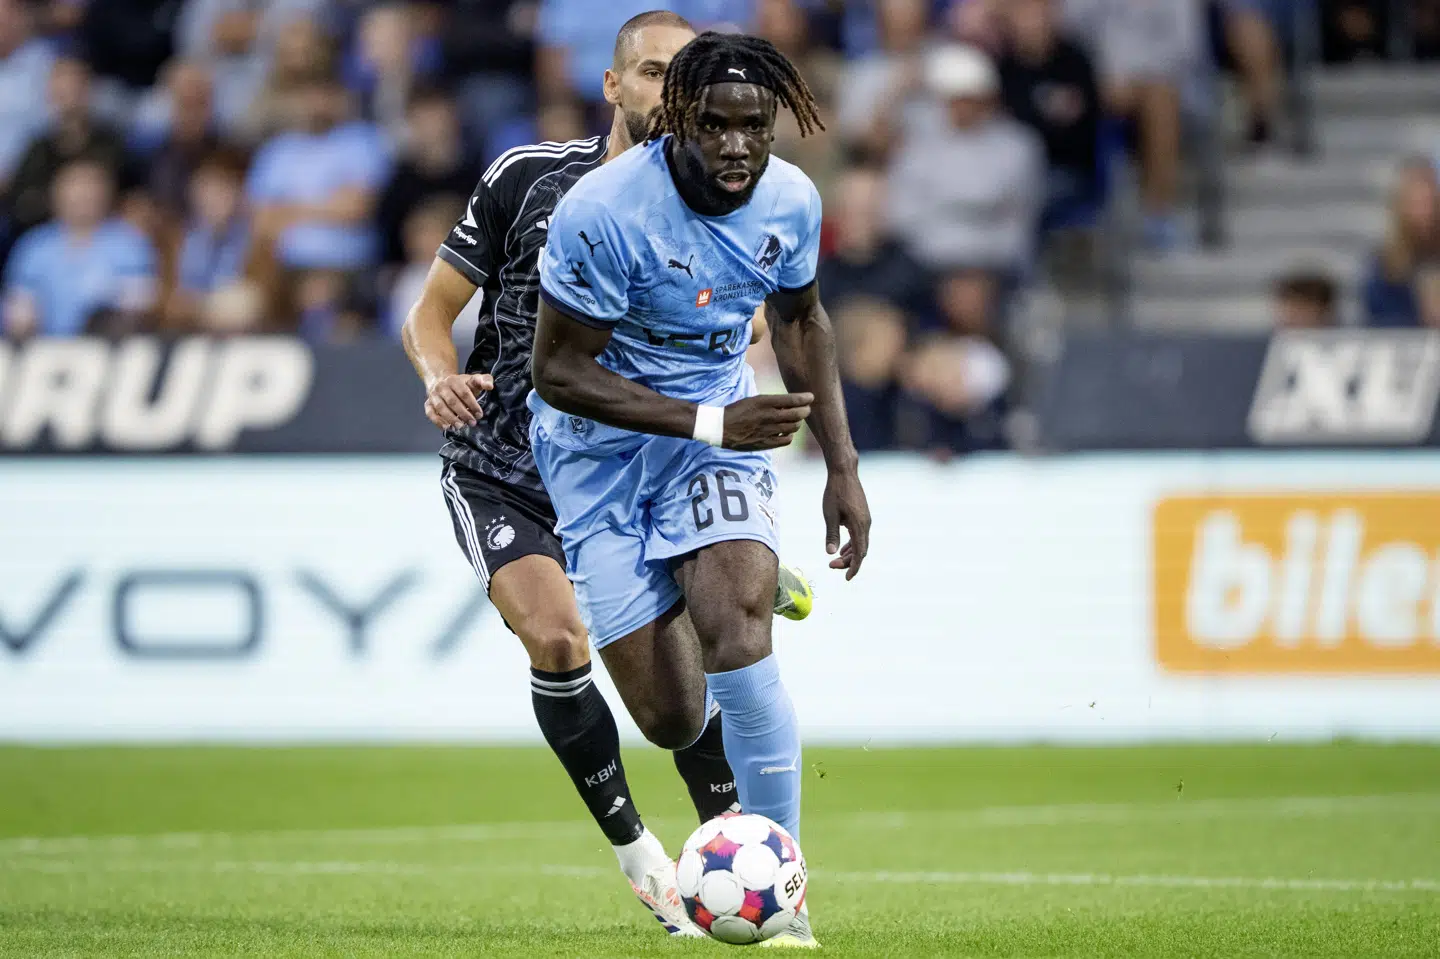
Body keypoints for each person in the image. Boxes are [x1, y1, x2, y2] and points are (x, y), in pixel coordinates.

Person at [400, 11, 815, 940]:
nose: (672, 93)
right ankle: (640, 854)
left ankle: (748, 865)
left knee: (694, 677)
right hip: (509, 464)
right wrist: (438, 377)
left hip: (646, 461)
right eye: (655, 74)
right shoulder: (528, 179)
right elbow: (432, 310)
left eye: (685, 77)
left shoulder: (717, 192)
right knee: (556, 640)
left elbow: (758, 308)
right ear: (614, 87)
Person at [528, 29, 871, 948]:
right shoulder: (602, 211)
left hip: (715, 443)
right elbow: (556, 371)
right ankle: (721, 576)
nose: (735, 147)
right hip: (595, 457)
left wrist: (842, 465)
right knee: (675, 717)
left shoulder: (791, 201)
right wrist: (716, 422)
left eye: (753, 127)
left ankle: (786, 900)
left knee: (740, 638)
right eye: (715, 126)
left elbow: (801, 321)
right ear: (677, 118)